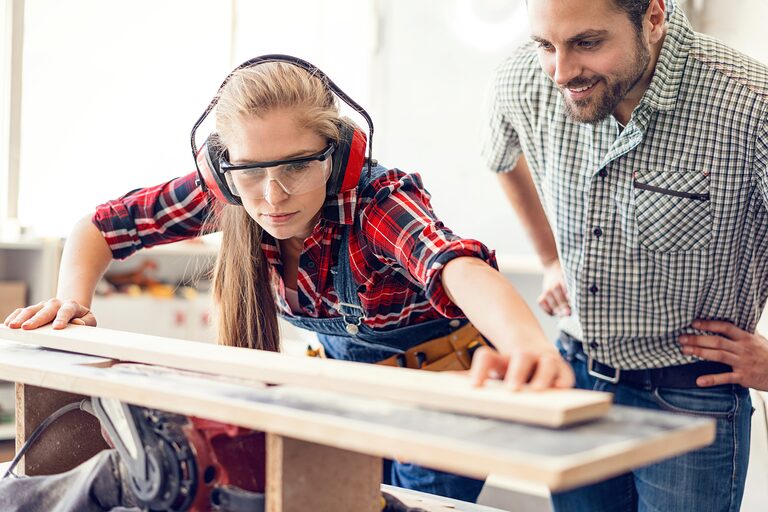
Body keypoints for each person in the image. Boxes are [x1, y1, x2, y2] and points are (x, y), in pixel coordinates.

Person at [4, 55, 574, 503]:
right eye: (252, 172)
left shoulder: (375, 200)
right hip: (349, 396)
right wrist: (70, 302)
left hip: (445, 399)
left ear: (339, 154)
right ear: (226, 172)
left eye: (299, 166)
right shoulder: (225, 189)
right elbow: (99, 228)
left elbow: (456, 266)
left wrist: (528, 347)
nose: (273, 197)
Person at [479, 0, 768, 510]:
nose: (563, 71)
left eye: (588, 43)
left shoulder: (750, 105)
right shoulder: (526, 78)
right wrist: (549, 259)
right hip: (576, 380)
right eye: (547, 45)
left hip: (692, 395)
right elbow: (501, 158)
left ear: (653, 17)